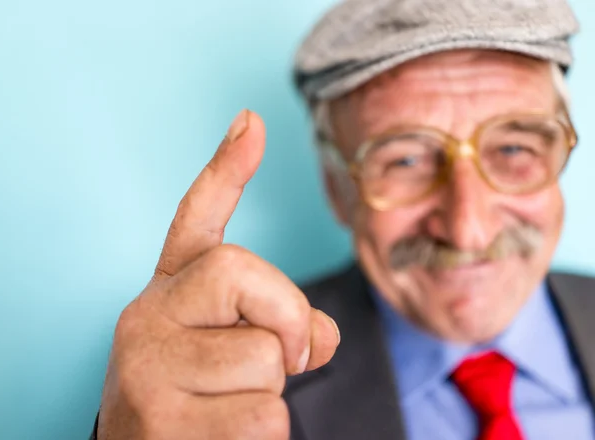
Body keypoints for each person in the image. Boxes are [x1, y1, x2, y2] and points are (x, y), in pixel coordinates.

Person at [91, 0, 595, 439]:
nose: (469, 229)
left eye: (513, 148)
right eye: (404, 161)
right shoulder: (230, 387)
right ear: (336, 189)